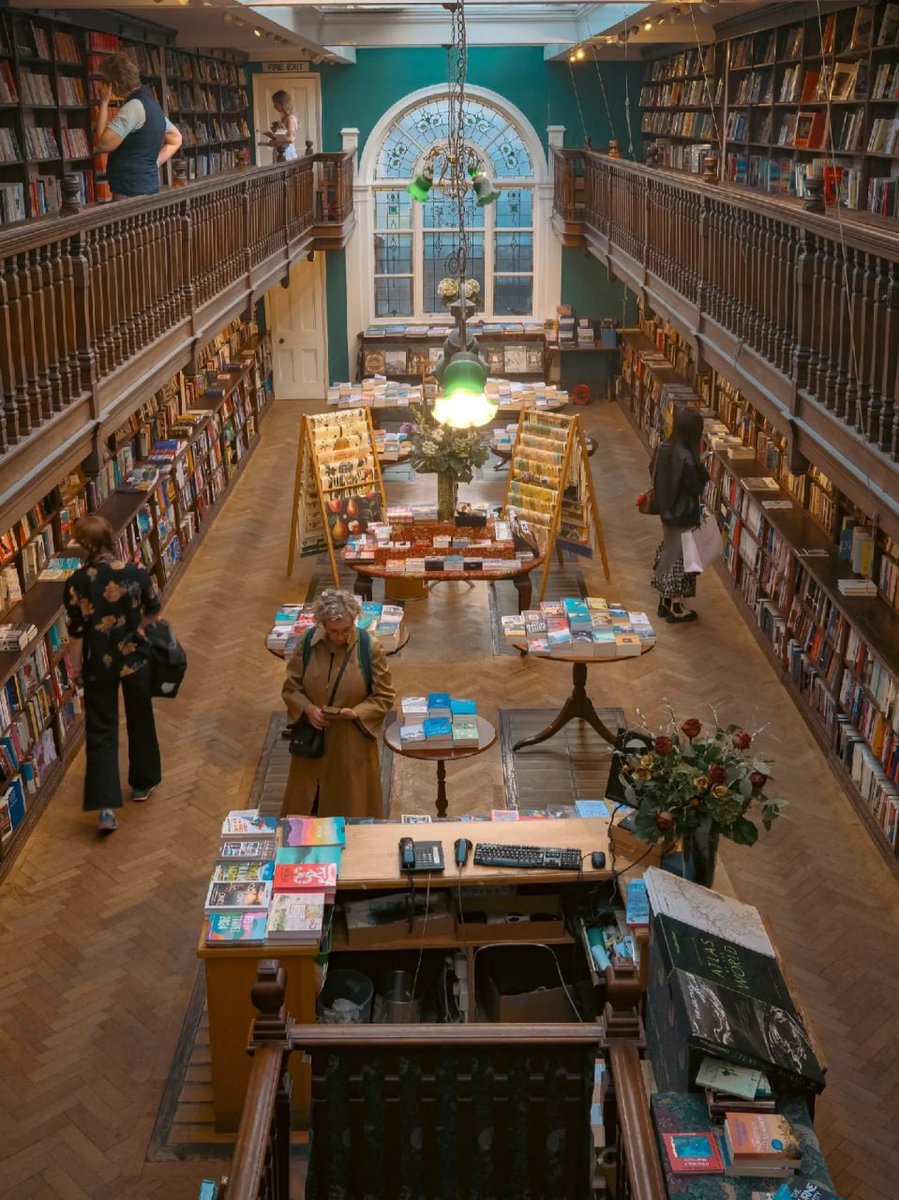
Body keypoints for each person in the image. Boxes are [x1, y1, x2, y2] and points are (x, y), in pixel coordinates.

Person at [63, 516, 163, 834]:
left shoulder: (77, 583)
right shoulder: (135, 573)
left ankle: (106, 809)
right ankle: (143, 783)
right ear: (111, 538)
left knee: (101, 730)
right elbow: (153, 609)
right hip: (135, 659)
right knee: (141, 718)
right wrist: (137, 628)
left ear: (83, 546)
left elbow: (76, 635)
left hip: (98, 663)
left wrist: (77, 670)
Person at [281, 589, 394, 819]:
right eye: (333, 631)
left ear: (354, 620)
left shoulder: (369, 647)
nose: (341, 636)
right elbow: (291, 689)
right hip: (312, 746)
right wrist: (308, 709)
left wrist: (357, 712)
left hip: (351, 745)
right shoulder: (308, 643)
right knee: (306, 810)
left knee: (351, 810)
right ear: (322, 624)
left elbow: (384, 696)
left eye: (346, 629)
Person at [649, 406, 710, 624]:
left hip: (665, 509)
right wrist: (702, 468)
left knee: (669, 551)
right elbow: (695, 487)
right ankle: (676, 607)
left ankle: (664, 600)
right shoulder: (689, 459)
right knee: (682, 559)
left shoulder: (663, 447)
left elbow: (652, 469)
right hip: (683, 514)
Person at [95, 51, 182, 199]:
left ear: (114, 84)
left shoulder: (133, 108)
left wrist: (104, 102)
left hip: (129, 190)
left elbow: (103, 144)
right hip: (149, 186)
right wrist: (153, 164)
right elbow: (176, 138)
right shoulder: (152, 105)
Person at [261, 90, 298, 161]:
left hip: (286, 153)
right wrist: (273, 136)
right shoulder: (285, 118)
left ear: (282, 103)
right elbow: (283, 137)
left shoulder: (290, 119)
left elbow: (291, 139)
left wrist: (275, 142)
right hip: (281, 151)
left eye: (275, 103)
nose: (274, 106)